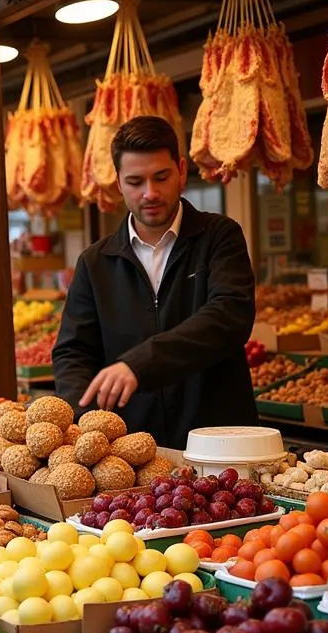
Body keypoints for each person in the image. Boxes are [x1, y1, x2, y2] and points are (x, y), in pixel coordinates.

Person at [51, 115, 256, 448]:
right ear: (118, 182)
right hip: (130, 450)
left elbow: (229, 317)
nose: (150, 193)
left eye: (161, 177)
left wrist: (138, 365)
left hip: (218, 441)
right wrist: (84, 417)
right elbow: (73, 352)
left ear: (181, 170)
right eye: (135, 182)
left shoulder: (220, 236)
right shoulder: (95, 261)